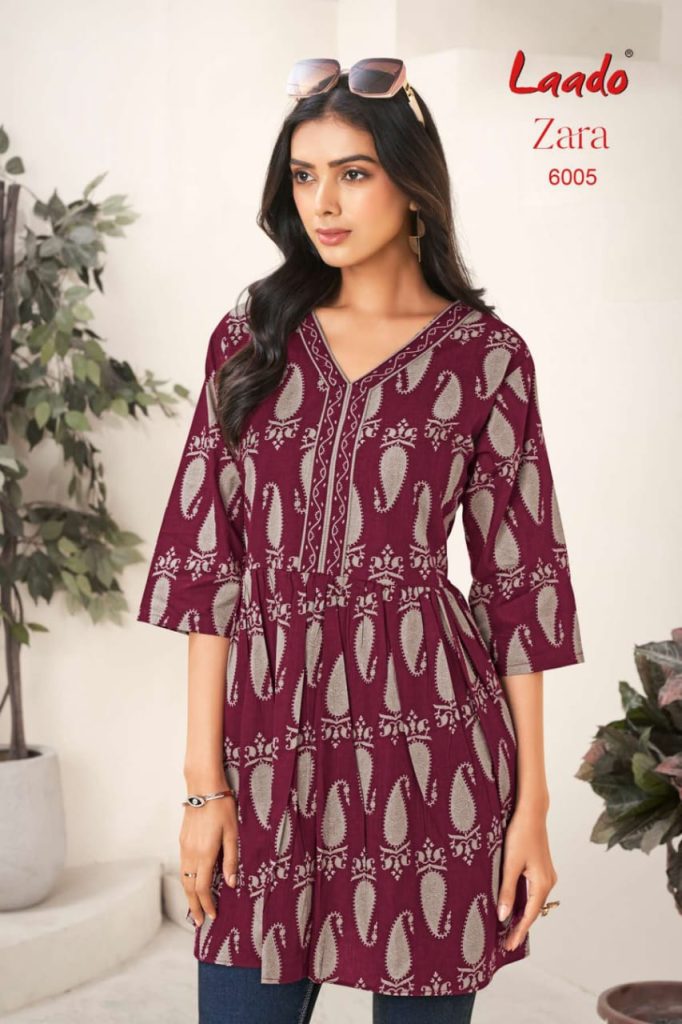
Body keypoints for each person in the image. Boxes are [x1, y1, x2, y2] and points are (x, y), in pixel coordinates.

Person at [136, 58, 585, 1024]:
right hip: (266, 750)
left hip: (433, 744)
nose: (323, 204)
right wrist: (203, 788)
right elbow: (210, 568)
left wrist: (532, 809)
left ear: (412, 183)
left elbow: (521, 589)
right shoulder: (251, 339)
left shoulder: (486, 358)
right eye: (304, 176)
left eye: (353, 173)